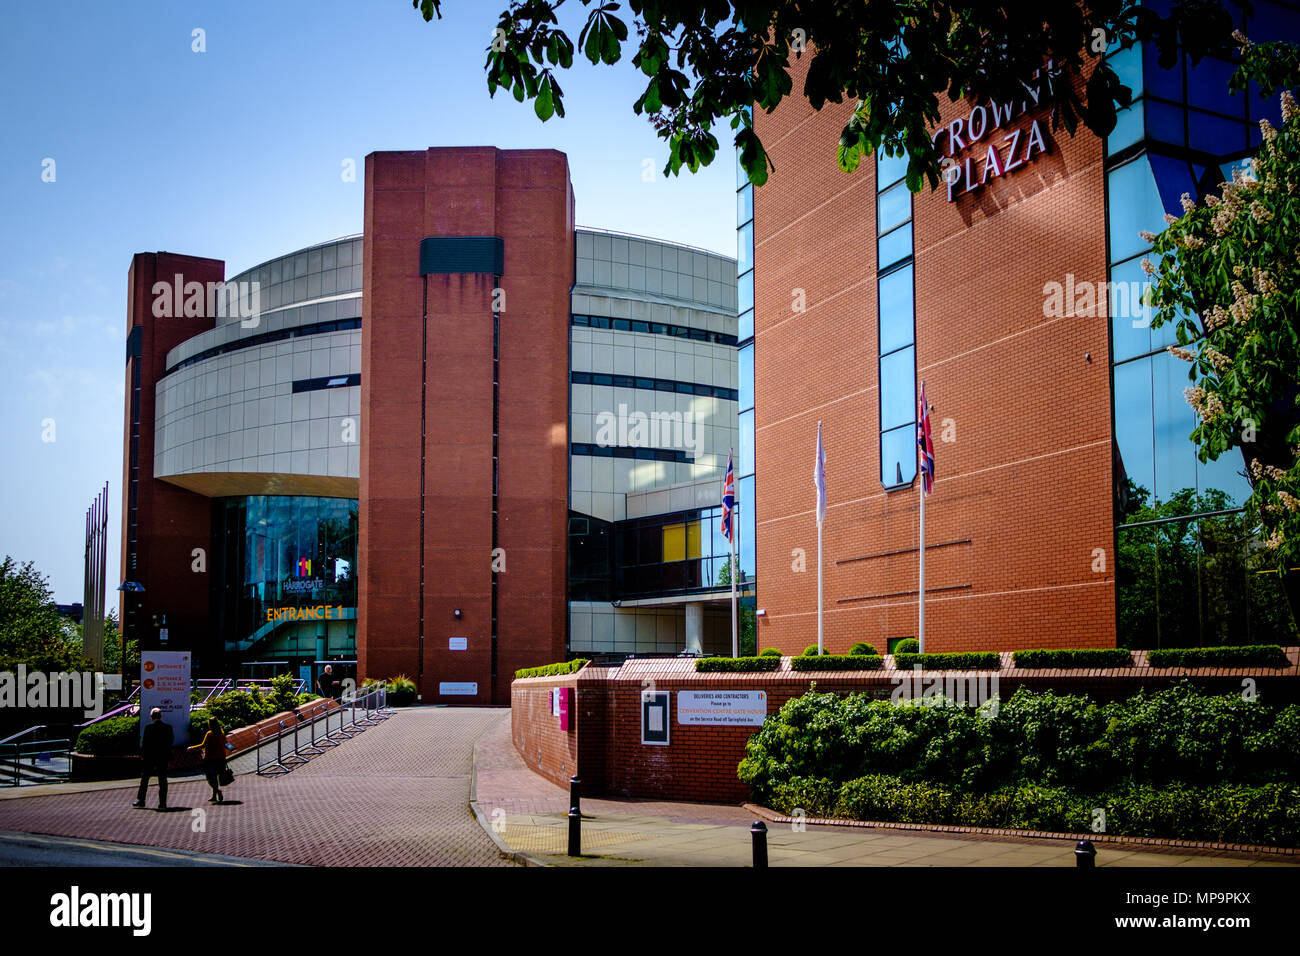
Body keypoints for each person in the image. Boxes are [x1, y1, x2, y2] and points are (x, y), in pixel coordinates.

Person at [133, 708, 173, 810]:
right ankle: (162, 803)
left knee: (145, 779)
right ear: (160, 716)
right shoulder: (168, 727)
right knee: (163, 780)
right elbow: (170, 741)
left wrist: (143, 755)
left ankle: (141, 800)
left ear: (152, 717)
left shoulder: (149, 728)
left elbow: (145, 743)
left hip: (150, 757)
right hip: (163, 757)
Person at [188, 716, 233, 804]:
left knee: (210, 778)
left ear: (210, 725)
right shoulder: (222, 733)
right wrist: (232, 748)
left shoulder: (210, 734)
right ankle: (214, 795)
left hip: (211, 759)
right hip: (221, 758)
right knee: (217, 776)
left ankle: (217, 792)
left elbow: (203, 745)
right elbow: (226, 743)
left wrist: (192, 748)